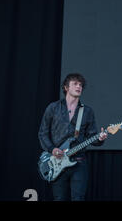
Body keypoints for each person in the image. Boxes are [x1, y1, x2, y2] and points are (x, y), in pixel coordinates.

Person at [38, 73, 108, 201]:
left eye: (80, 85)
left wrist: (100, 138)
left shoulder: (87, 111)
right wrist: (52, 149)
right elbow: (42, 133)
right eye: (75, 84)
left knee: (78, 198)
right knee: (59, 198)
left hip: (79, 161)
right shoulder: (53, 108)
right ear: (66, 87)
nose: (79, 86)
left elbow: (93, 137)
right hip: (57, 161)